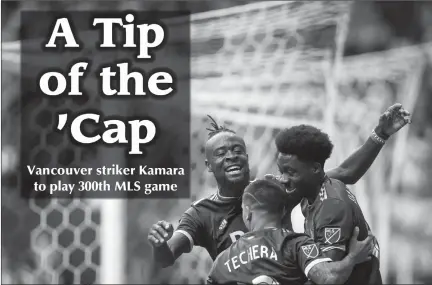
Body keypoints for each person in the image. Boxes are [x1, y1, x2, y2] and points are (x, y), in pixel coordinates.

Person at [148, 103, 411, 268]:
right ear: (207, 166)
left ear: (247, 156)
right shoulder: (200, 213)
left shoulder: (272, 191)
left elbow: (343, 173)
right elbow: (166, 257)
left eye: (237, 149)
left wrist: (380, 134)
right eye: (220, 153)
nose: (230, 156)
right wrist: (160, 246)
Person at [274, 124, 384, 284]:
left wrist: (352, 258)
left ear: (315, 169)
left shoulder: (331, 208)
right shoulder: (317, 185)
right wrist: (381, 134)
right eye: (280, 171)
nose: (283, 179)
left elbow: (328, 279)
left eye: (291, 172)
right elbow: (347, 172)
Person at [207, 179, 374, 285]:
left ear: (248, 212)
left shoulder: (222, 261)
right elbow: (328, 278)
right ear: (283, 212)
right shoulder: (296, 244)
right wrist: (352, 258)